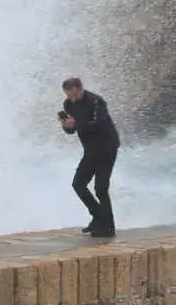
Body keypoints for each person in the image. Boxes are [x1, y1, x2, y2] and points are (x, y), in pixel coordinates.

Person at [58, 77, 120, 238]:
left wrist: (76, 124)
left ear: (80, 89)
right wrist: (66, 126)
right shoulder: (68, 104)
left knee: (101, 188)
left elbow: (98, 124)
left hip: (107, 147)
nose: (72, 99)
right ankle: (99, 217)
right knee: (78, 184)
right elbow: (72, 130)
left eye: (74, 94)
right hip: (91, 150)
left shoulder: (96, 102)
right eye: (68, 95)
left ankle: (108, 227)